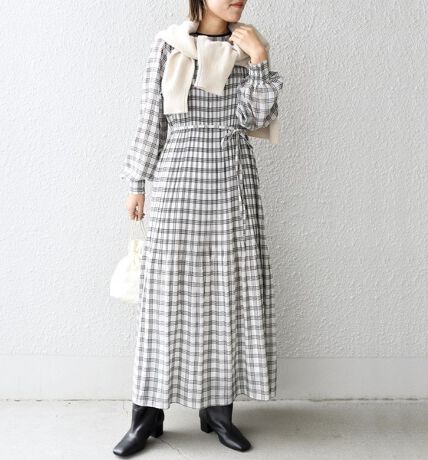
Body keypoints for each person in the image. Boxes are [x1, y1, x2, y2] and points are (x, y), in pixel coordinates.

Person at [114, 0, 284, 456]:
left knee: (227, 294)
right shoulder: (168, 44)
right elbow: (152, 116)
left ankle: (218, 413)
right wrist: (137, 182)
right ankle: (146, 417)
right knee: (164, 298)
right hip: (178, 178)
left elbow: (256, 120)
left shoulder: (247, 46)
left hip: (231, 178)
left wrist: (261, 59)